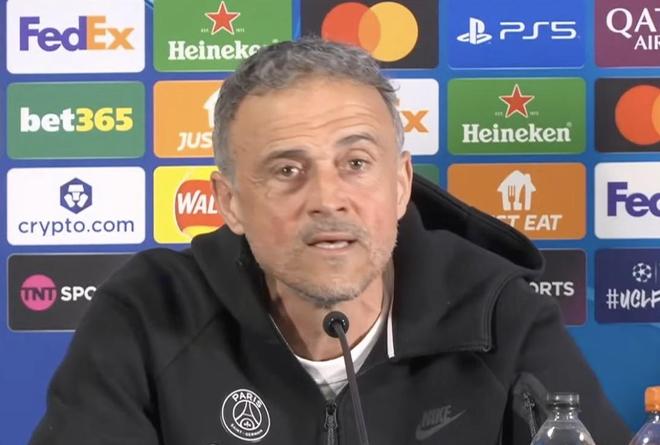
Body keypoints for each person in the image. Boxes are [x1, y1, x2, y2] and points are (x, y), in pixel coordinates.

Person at [30, 37, 630, 445]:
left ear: (401, 184)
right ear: (230, 202)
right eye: (287, 170)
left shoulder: (499, 314)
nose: (327, 198)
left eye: (356, 163)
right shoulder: (149, 312)